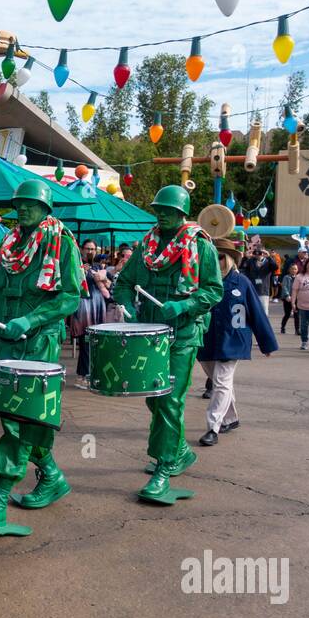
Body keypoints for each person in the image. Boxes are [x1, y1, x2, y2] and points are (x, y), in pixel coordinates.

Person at [0, 179, 82, 535]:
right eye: (19, 204)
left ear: (46, 208)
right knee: (15, 417)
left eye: (30, 204)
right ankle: (53, 477)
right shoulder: (10, 244)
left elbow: (70, 297)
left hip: (39, 341)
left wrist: (30, 318)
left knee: (21, 418)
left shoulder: (62, 242)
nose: (23, 209)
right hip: (6, 342)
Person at [114, 185, 223, 505]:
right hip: (149, 335)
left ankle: (163, 469)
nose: (161, 214)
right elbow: (123, 283)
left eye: (168, 210)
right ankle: (180, 452)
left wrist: (184, 305)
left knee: (169, 400)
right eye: (158, 209)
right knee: (152, 399)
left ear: (181, 213)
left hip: (183, 335)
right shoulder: (147, 245)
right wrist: (126, 306)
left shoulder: (200, 246)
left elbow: (213, 291)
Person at [196, 238, 276, 446]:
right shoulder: (200, 282)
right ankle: (231, 418)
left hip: (233, 341)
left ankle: (213, 426)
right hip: (206, 340)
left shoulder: (242, 283)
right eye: (212, 257)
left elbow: (257, 314)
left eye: (220, 257)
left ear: (230, 259)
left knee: (221, 382)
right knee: (219, 381)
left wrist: (267, 343)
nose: (216, 260)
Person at [70, 239, 110, 389]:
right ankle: (82, 376)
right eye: (87, 249)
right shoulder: (76, 265)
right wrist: (81, 273)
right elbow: (72, 284)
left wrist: (104, 279)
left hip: (98, 307)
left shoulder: (99, 266)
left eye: (93, 249)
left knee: (95, 343)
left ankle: (90, 374)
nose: (90, 252)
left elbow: (110, 286)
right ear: (81, 249)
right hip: (84, 308)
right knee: (85, 343)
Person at [278, 260, 299, 336]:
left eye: (295, 269)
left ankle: (297, 329)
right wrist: (287, 295)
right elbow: (285, 287)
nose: (294, 270)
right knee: (287, 314)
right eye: (292, 269)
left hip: (296, 298)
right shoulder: (286, 277)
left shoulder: (298, 277)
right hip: (287, 298)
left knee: (297, 314)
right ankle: (283, 327)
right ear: (289, 270)